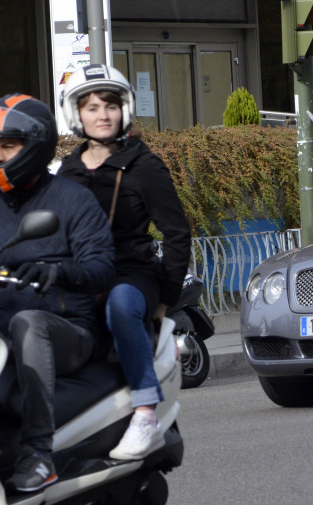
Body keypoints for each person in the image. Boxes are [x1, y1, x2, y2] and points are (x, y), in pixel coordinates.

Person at [0, 94, 115, 492]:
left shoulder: (72, 200)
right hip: (0, 327)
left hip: (68, 331)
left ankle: (38, 455)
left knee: (30, 323)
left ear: (35, 147)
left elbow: (101, 268)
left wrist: (58, 271)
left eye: (7, 146)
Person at [56, 64, 192, 461]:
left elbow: (177, 234)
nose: (102, 115)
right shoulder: (68, 169)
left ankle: (145, 411)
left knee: (120, 305)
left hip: (131, 274)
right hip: (81, 275)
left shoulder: (144, 166)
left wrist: (166, 297)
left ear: (124, 110)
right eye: (92, 107)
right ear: (76, 114)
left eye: (110, 106)